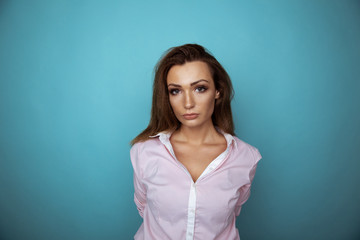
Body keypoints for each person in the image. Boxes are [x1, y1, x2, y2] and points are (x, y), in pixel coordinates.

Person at [130, 43, 262, 240]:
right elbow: (143, 207)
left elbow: (229, 215)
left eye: (200, 88)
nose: (188, 103)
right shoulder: (144, 152)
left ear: (218, 91)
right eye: (176, 91)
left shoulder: (246, 157)